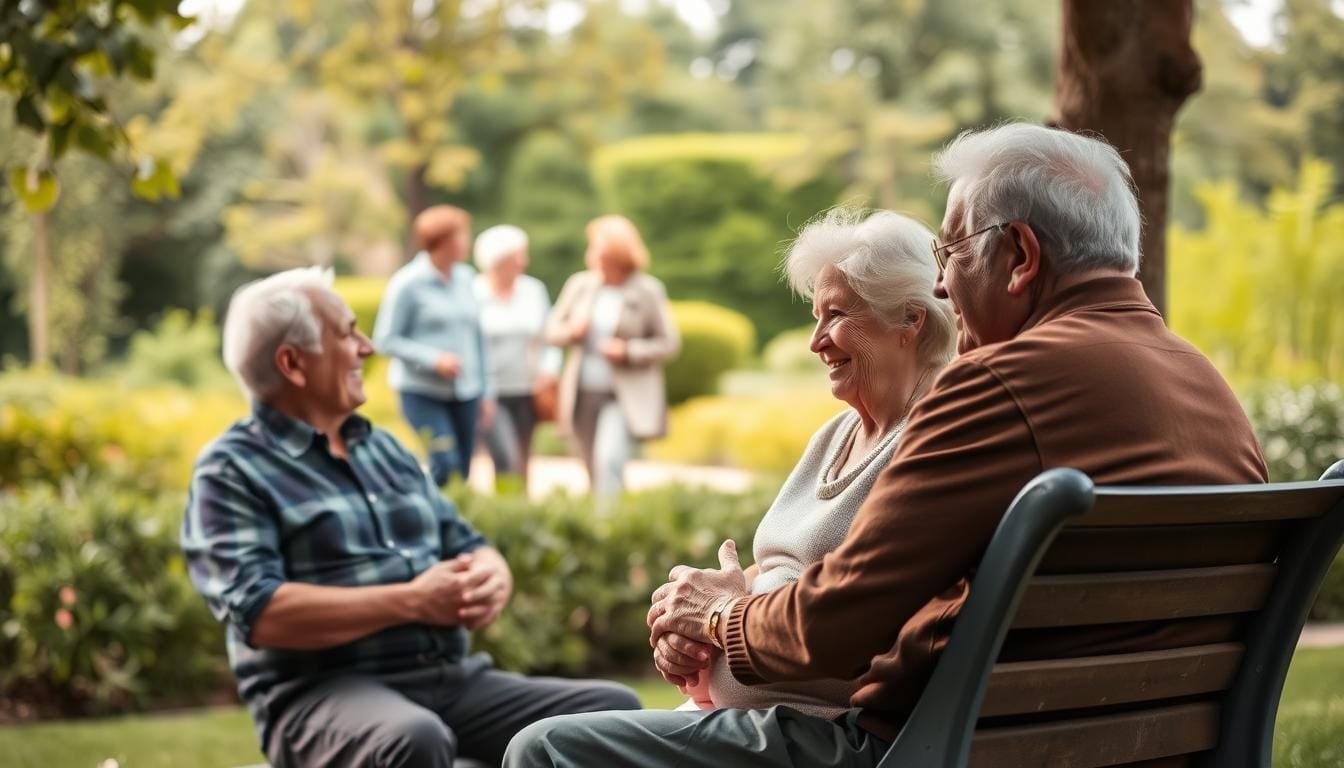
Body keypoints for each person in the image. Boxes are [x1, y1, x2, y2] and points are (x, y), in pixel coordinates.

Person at [504, 123, 1269, 768]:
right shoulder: (1206, 387)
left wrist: (717, 617)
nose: (940, 290)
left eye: (951, 253)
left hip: (933, 748)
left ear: (1022, 258)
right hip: (1134, 744)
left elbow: (830, 631)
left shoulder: (1002, 382)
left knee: (547, 750)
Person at [182, 267, 640, 768]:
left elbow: (464, 540)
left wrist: (492, 574)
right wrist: (413, 602)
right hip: (318, 693)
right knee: (413, 738)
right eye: (347, 333)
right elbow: (261, 612)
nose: (367, 347)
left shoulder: (383, 449)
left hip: (447, 678)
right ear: (292, 363)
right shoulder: (230, 469)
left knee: (610, 713)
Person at [675, 209, 956, 717]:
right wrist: (692, 623)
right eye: (816, 317)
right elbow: (786, 565)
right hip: (744, 713)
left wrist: (718, 619)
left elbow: (858, 616)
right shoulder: (836, 433)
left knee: (545, 748)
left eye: (838, 315)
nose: (816, 341)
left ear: (910, 319)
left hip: (819, 728)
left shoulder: (933, 440)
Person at [544, 215, 680, 498]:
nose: (592, 256)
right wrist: (572, 331)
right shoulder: (580, 285)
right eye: (592, 249)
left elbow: (668, 343)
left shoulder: (647, 290)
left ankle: (609, 524)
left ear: (618, 253)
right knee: (591, 467)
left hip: (622, 395)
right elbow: (551, 331)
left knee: (609, 459)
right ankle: (604, 525)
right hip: (582, 392)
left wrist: (628, 351)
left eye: (599, 250)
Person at [374, 205, 491, 486]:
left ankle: (455, 524)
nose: (467, 241)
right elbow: (385, 339)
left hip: (466, 390)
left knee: (463, 468)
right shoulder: (408, 283)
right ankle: (427, 520)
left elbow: (476, 337)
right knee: (444, 463)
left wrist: (486, 389)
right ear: (442, 241)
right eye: (462, 235)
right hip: (421, 390)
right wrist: (432, 359)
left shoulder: (466, 278)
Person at [472, 224, 561, 490]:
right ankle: (505, 514)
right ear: (498, 260)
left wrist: (549, 369)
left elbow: (550, 338)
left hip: (529, 389)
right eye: (518, 256)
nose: (524, 262)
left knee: (522, 460)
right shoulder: (474, 292)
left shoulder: (533, 290)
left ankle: (518, 519)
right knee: (506, 457)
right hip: (491, 391)